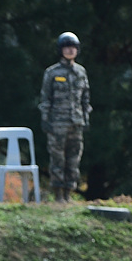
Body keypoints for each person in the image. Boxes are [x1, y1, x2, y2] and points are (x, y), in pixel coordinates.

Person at [39, 31, 91, 202]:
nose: (70, 51)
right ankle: (58, 195)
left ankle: (69, 193)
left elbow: (85, 98)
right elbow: (45, 98)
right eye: (66, 48)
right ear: (60, 50)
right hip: (57, 124)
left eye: (73, 48)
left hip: (76, 123)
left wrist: (85, 117)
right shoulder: (52, 73)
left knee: (73, 159)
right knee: (57, 159)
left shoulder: (81, 72)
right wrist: (46, 119)